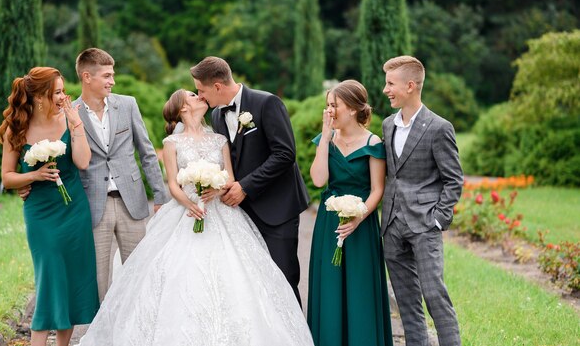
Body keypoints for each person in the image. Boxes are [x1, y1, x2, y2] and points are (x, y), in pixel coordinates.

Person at [77, 89, 314, 345]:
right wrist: (190, 203)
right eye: (192, 95)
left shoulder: (219, 139)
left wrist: (218, 187)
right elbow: (173, 184)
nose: (199, 96)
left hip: (221, 212)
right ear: (182, 108)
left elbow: (231, 178)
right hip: (186, 213)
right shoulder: (171, 144)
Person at [21, 48, 169, 301]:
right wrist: (27, 185)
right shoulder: (67, 112)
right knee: (98, 281)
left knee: (140, 274)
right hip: (91, 205)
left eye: (113, 75)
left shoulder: (128, 105)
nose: (113, 81)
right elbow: (55, 157)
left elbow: (147, 152)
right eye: (107, 76)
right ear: (87, 77)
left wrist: (160, 196)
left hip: (131, 202)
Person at [190, 56, 310, 303]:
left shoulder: (267, 103)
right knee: (252, 283)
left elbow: (285, 153)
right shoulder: (216, 116)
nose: (200, 96)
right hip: (241, 214)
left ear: (217, 87)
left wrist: (246, 186)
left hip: (278, 210)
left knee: (283, 279)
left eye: (201, 90)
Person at [0, 67, 99, 346]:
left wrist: (76, 123)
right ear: (40, 97)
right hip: (40, 213)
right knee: (49, 278)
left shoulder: (70, 120)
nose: (63, 97)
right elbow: (7, 178)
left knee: (71, 280)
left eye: (62, 90)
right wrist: (34, 175)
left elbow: (82, 162)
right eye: (57, 92)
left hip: (73, 209)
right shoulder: (16, 127)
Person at [381, 56, 463, 346]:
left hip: (425, 224)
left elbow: (454, 180)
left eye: (390, 84)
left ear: (411, 86)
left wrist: (438, 219)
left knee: (434, 294)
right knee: (406, 301)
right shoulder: (388, 125)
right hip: (392, 225)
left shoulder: (439, 127)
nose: (385, 90)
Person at [307, 80, 393, 346]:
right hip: (329, 223)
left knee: (360, 289)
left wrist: (358, 217)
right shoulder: (327, 139)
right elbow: (319, 180)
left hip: (361, 224)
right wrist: (325, 133)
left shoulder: (372, 142)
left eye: (335, 106)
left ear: (354, 109)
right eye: (328, 106)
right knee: (329, 289)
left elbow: (377, 190)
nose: (330, 111)